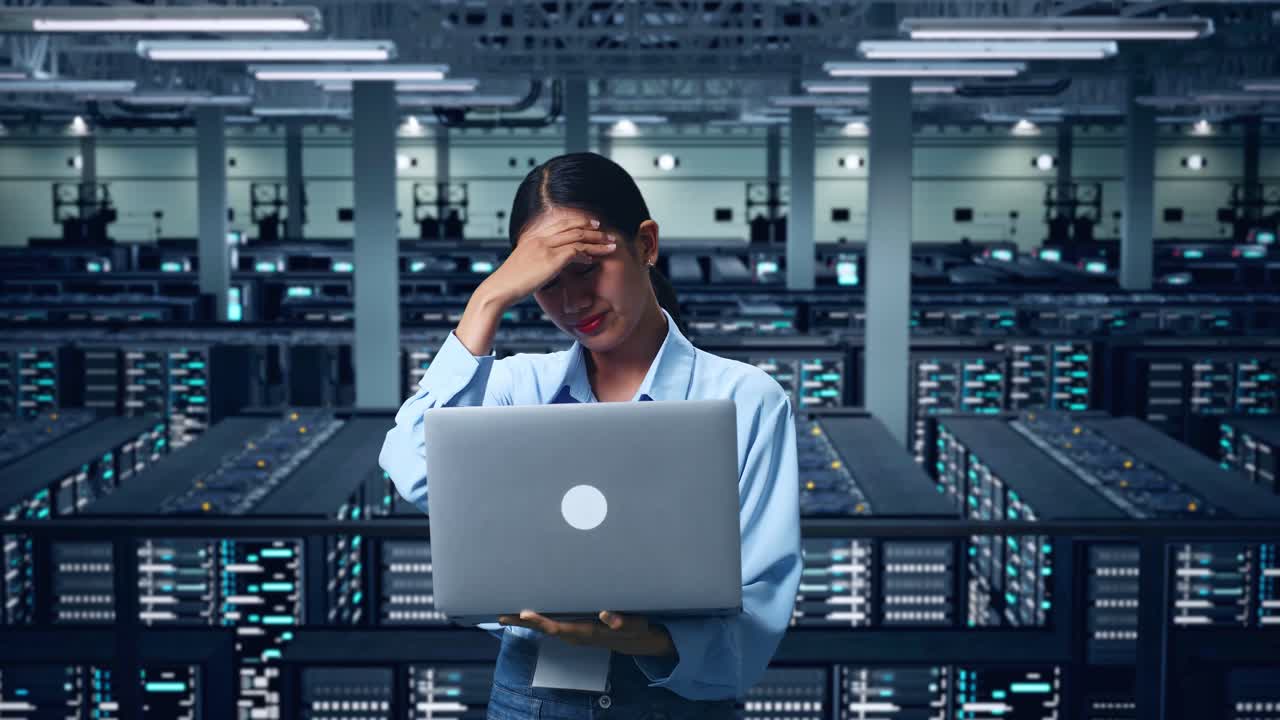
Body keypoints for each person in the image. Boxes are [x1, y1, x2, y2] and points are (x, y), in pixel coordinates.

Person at [379, 152, 801, 719]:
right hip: (532, 699)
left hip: (675, 703)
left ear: (646, 244)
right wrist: (486, 301)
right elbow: (413, 467)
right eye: (545, 282)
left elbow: (761, 610)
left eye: (585, 268)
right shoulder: (516, 387)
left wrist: (647, 639)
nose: (572, 303)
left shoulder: (745, 399)